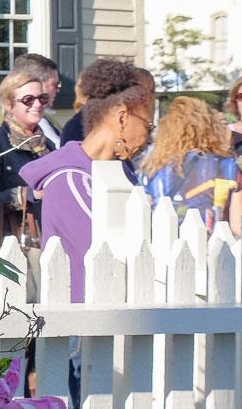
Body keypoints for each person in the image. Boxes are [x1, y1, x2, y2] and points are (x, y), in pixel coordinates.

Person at [19, 78, 154, 303]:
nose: (149, 138)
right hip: (84, 318)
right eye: (148, 126)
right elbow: (110, 253)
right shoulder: (68, 179)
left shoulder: (121, 172)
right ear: (122, 117)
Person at [0, 69, 54, 252]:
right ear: (8, 104)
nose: (37, 104)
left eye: (42, 98)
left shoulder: (48, 146)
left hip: (47, 242)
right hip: (6, 246)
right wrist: (27, 195)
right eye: (28, 99)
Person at [141, 96, 242, 234]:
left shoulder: (152, 167)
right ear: (210, 126)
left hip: (163, 243)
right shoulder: (228, 165)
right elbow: (240, 227)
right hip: (214, 246)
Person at [11, 52, 63, 146]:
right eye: (55, 84)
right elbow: (59, 151)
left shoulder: (39, 115)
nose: (58, 90)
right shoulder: (29, 118)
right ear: (38, 83)